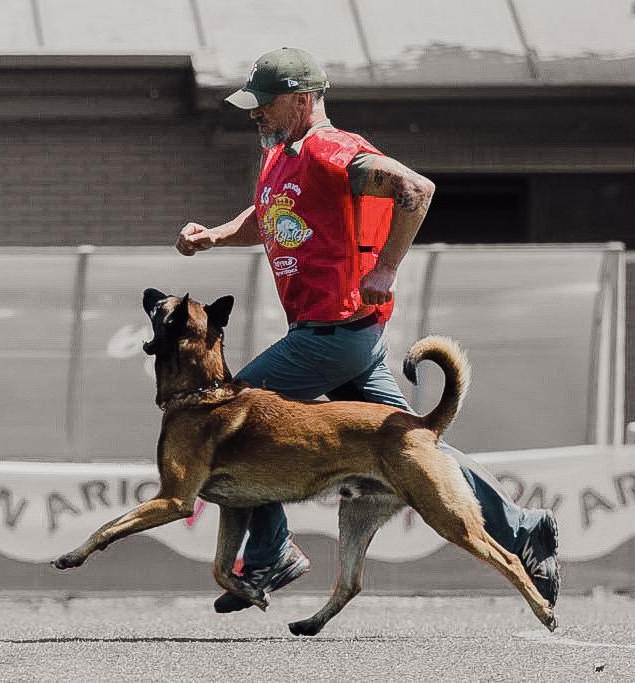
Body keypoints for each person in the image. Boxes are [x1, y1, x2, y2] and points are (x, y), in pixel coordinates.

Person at [174, 47, 559, 613]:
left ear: (302, 100)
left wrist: (386, 268)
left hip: (331, 336)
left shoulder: (334, 150)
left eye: (264, 104)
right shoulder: (284, 154)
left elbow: (417, 190)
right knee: (416, 444)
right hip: (343, 338)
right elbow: (266, 216)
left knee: (225, 419)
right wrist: (215, 235)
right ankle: (525, 526)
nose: (253, 113)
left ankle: (270, 553)